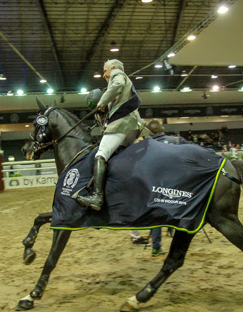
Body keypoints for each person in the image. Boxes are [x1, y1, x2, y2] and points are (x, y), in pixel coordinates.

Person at [76, 59, 145, 211]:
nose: (103, 75)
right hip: (132, 128)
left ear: (112, 68)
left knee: (101, 154)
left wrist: (101, 102)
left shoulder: (117, 74)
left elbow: (117, 84)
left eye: (105, 71)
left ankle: (97, 197)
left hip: (122, 125)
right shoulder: (123, 94)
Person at [146, 120, 192, 256]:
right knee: (184, 211)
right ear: (162, 129)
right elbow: (194, 150)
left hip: (155, 185)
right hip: (177, 183)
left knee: (156, 217)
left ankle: (156, 247)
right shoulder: (176, 140)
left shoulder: (145, 146)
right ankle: (179, 246)